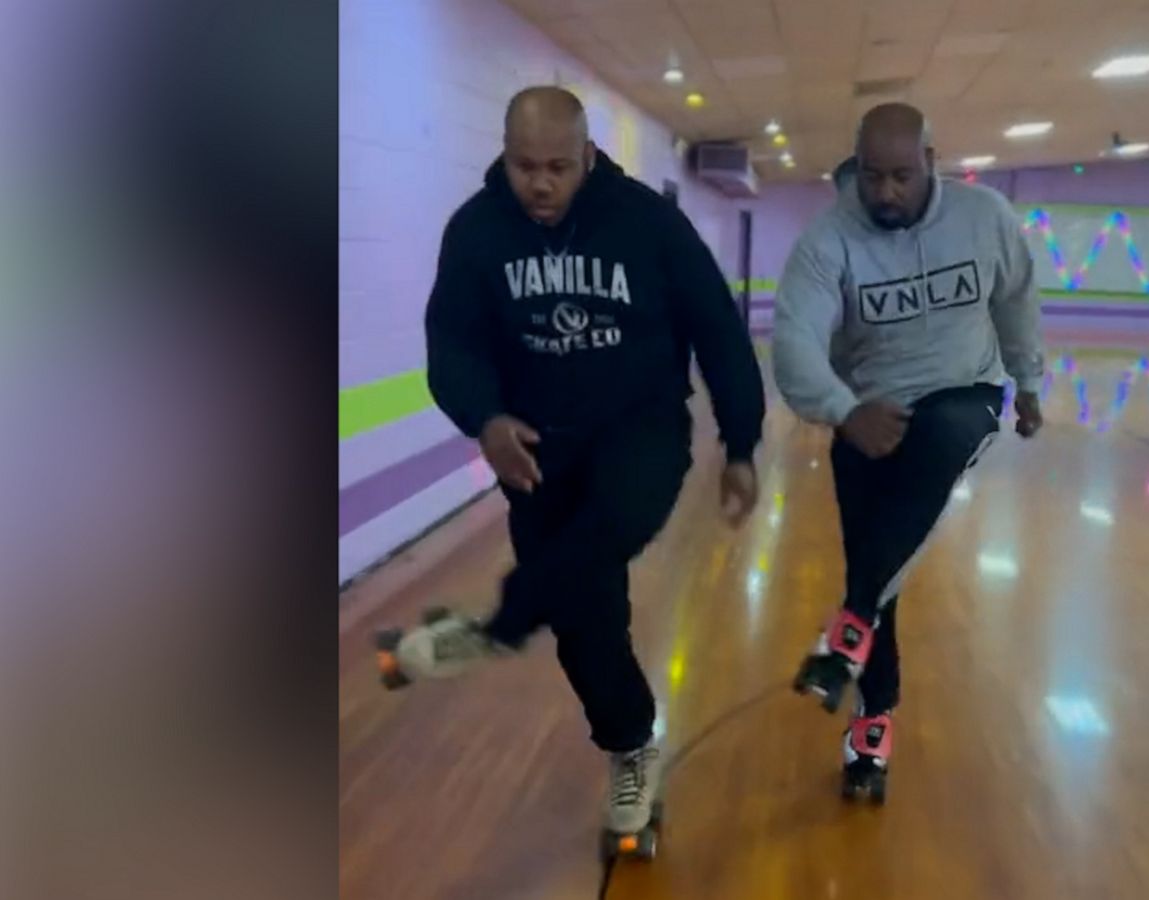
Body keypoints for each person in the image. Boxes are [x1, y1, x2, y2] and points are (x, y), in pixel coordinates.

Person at [395, 86, 765, 840]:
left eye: (558, 167)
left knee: (615, 519)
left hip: (642, 427)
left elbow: (716, 329)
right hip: (537, 446)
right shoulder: (475, 233)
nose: (540, 183)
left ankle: (499, 626)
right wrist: (487, 419)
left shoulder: (649, 223)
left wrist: (742, 442)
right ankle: (631, 744)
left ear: (589, 156)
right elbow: (453, 347)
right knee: (585, 619)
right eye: (525, 165)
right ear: (505, 155)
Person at [772, 103, 1044, 798]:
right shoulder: (829, 237)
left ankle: (850, 620)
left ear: (932, 160)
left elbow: (1015, 299)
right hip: (868, 410)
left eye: (901, 175)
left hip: (966, 391)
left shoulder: (986, 217)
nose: (886, 192)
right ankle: (872, 723)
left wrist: (1030, 381)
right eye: (872, 176)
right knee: (874, 557)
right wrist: (843, 411)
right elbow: (794, 342)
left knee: (939, 440)